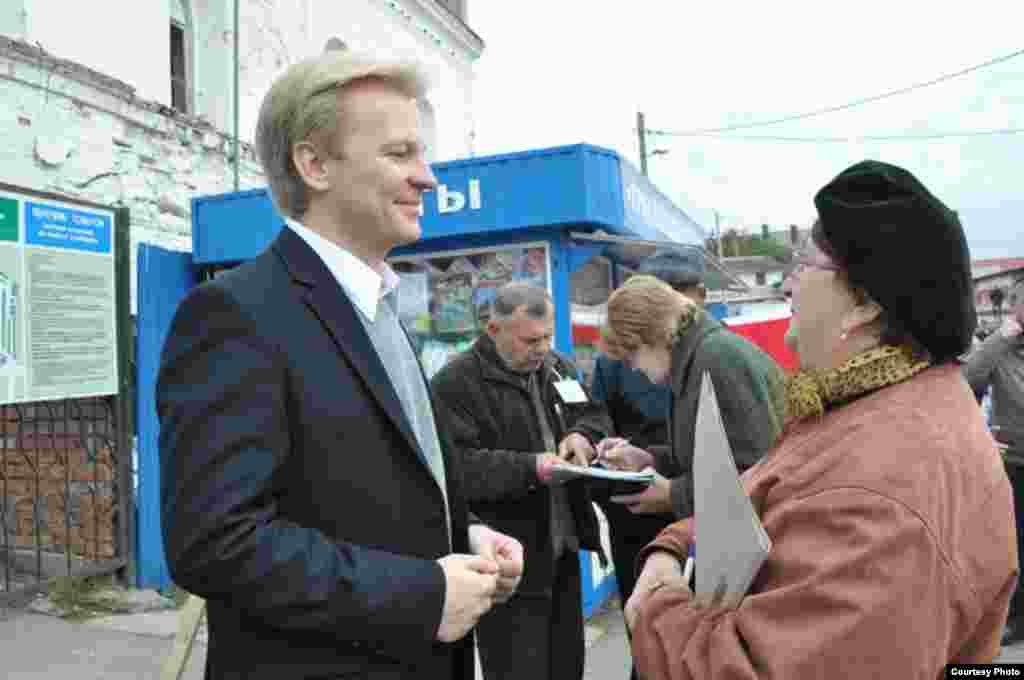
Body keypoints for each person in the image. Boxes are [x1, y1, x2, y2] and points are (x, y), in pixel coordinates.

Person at [157, 50, 523, 680]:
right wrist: (423, 595)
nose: (428, 177)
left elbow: (363, 497)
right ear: (315, 164)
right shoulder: (234, 315)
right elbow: (216, 543)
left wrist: (463, 540)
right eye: (400, 153)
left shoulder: (377, 305)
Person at [624, 160, 1018, 678]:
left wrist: (656, 612)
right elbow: (753, 499)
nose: (788, 286)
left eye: (804, 263)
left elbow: (757, 669)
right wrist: (674, 546)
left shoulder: (880, 484)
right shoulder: (866, 402)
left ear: (864, 306)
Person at [430, 282, 612, 680]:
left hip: (563, 551)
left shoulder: (557, 366)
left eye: (548, 336)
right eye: (531, 340)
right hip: (508, 561)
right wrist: (531, 468)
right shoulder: (454, 384)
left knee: (567, 666)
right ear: (493, 330)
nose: (543, 348)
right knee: (518, 670)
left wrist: (583, 436)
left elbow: (595, 415)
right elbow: (456, 469)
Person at [587, 249, 705, 680]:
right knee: (646, 626)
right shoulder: (612, 360)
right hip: (636, 512)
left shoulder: (714, 354)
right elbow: (596, 416)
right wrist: (603, 447)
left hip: (696, 509)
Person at [593, 278, 785, 522]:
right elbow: (711, 457)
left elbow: (757, 471)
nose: (633, 369)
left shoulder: (715, 360)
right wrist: (651, 459)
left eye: (631, 356)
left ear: (652, 336)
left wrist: (674, 495)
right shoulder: (692, 359)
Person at [964, 276, 1024, 644]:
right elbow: (968, 377)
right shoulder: (1001, 348)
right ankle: (1016, 618)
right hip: (1015, 461)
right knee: (1015, 543)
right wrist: (1001, 336)